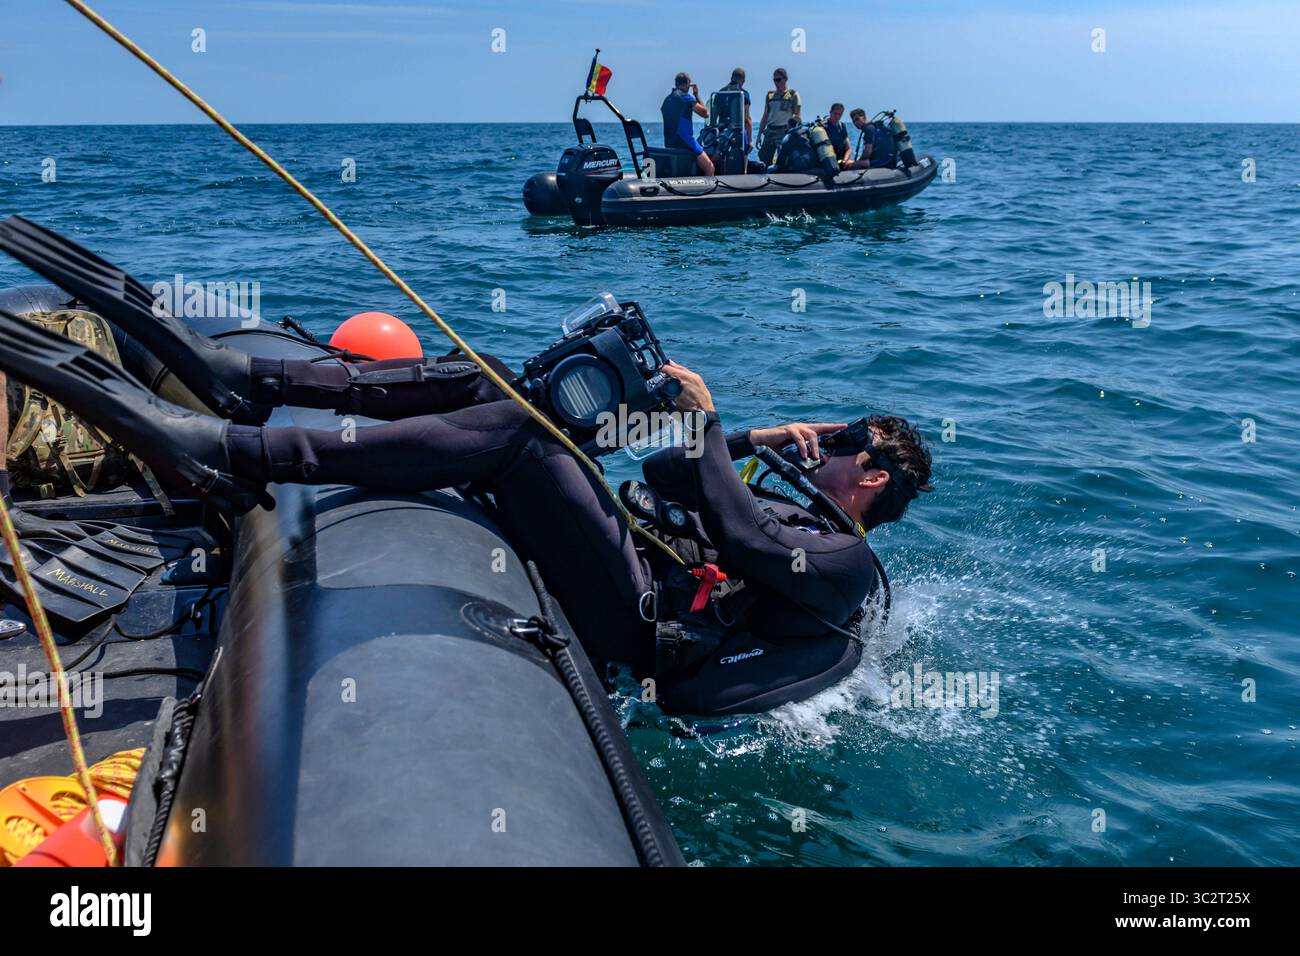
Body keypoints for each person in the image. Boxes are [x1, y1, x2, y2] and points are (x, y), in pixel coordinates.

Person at [0, 229, 935, 715]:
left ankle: (232, 452)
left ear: (875, 479)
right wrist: (762, 436)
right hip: (634, 569)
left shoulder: (848, 565)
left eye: (852, 438)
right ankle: (247, 378)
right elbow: (669, 472)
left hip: (644, 624)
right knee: (500, 383)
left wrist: (715, 420)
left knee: (522, 442)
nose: (838, 441)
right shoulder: (792, 493)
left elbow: (734, 537)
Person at [660, 71, 714, 176]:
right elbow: (706, 114)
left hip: (669, 143)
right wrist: (696, 95)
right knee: (710, 167)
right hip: (685, 142)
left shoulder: (667, 99)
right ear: (688, 83)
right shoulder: (686, 97)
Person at [755, 68, 802, 166]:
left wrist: (793, 132)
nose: (776, 82)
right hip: (770, 131)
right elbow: (765, 116)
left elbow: (797, 116)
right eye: (774, 80)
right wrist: (759, 135)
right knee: (764, 157)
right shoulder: (770, 96)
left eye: (778, 80)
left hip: (784, 131)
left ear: (785, 79)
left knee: (784, 159)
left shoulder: (793, 95)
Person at [716, 67, 753, 155]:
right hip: (737, 129)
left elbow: (714, 114)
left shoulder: (720, 92)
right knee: (744, 152)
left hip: (721, 129)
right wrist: (750, 140)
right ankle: (744, 169)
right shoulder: (743, 94)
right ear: (743, 80)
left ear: (731, 78)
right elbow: (747, 119)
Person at [824, 103, 852, 167]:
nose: (837, 116)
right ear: (830, 112)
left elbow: (848, 148)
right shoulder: (823, 127)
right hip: (827, 162)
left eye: (839, 114)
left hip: (840, 160)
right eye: (835, 113)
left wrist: (844, 161)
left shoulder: (841, 126)